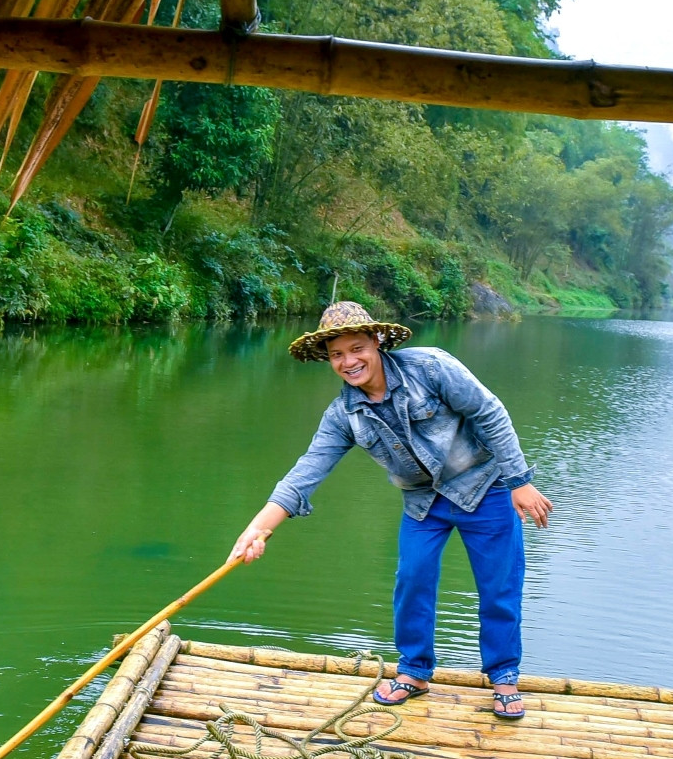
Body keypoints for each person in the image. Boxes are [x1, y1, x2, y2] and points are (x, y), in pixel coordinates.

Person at [232, 302, 553, 720]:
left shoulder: (431, 368)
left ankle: (504, 675)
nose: (349, 362)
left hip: (485, 486)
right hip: (423, 502)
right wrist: (257, 529)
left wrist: (519, 481)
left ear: (377, 341)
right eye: (336, 355)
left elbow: (488, 412)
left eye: (357, 348)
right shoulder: (344, 415)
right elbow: (306, 472)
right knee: (412, 579)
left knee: (499, 586)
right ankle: (414, 671)